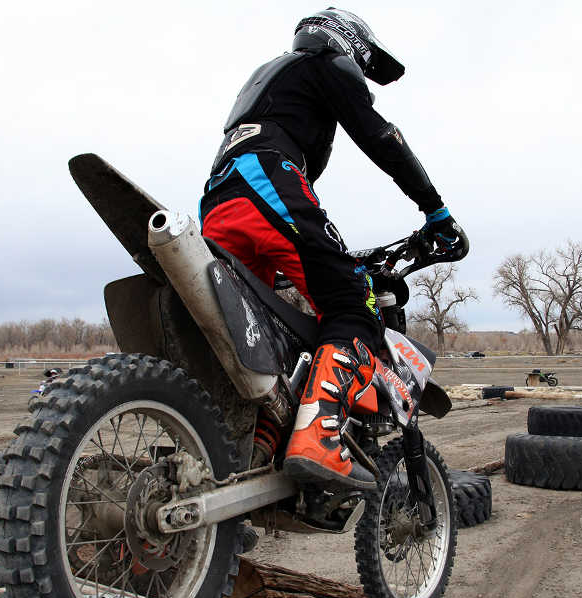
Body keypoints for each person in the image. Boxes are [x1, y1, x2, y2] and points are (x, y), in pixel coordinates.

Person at [198, 9, 466, 490]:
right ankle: (317, 437)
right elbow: (381, 137)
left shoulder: (267, 82)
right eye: (363, 63)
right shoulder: (326, 62)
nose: (361, 73)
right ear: (349, 42)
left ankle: (259, 440)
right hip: (266, 181)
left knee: (266, 330)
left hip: (220, 200)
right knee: (353, 305)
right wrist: (436, 210)